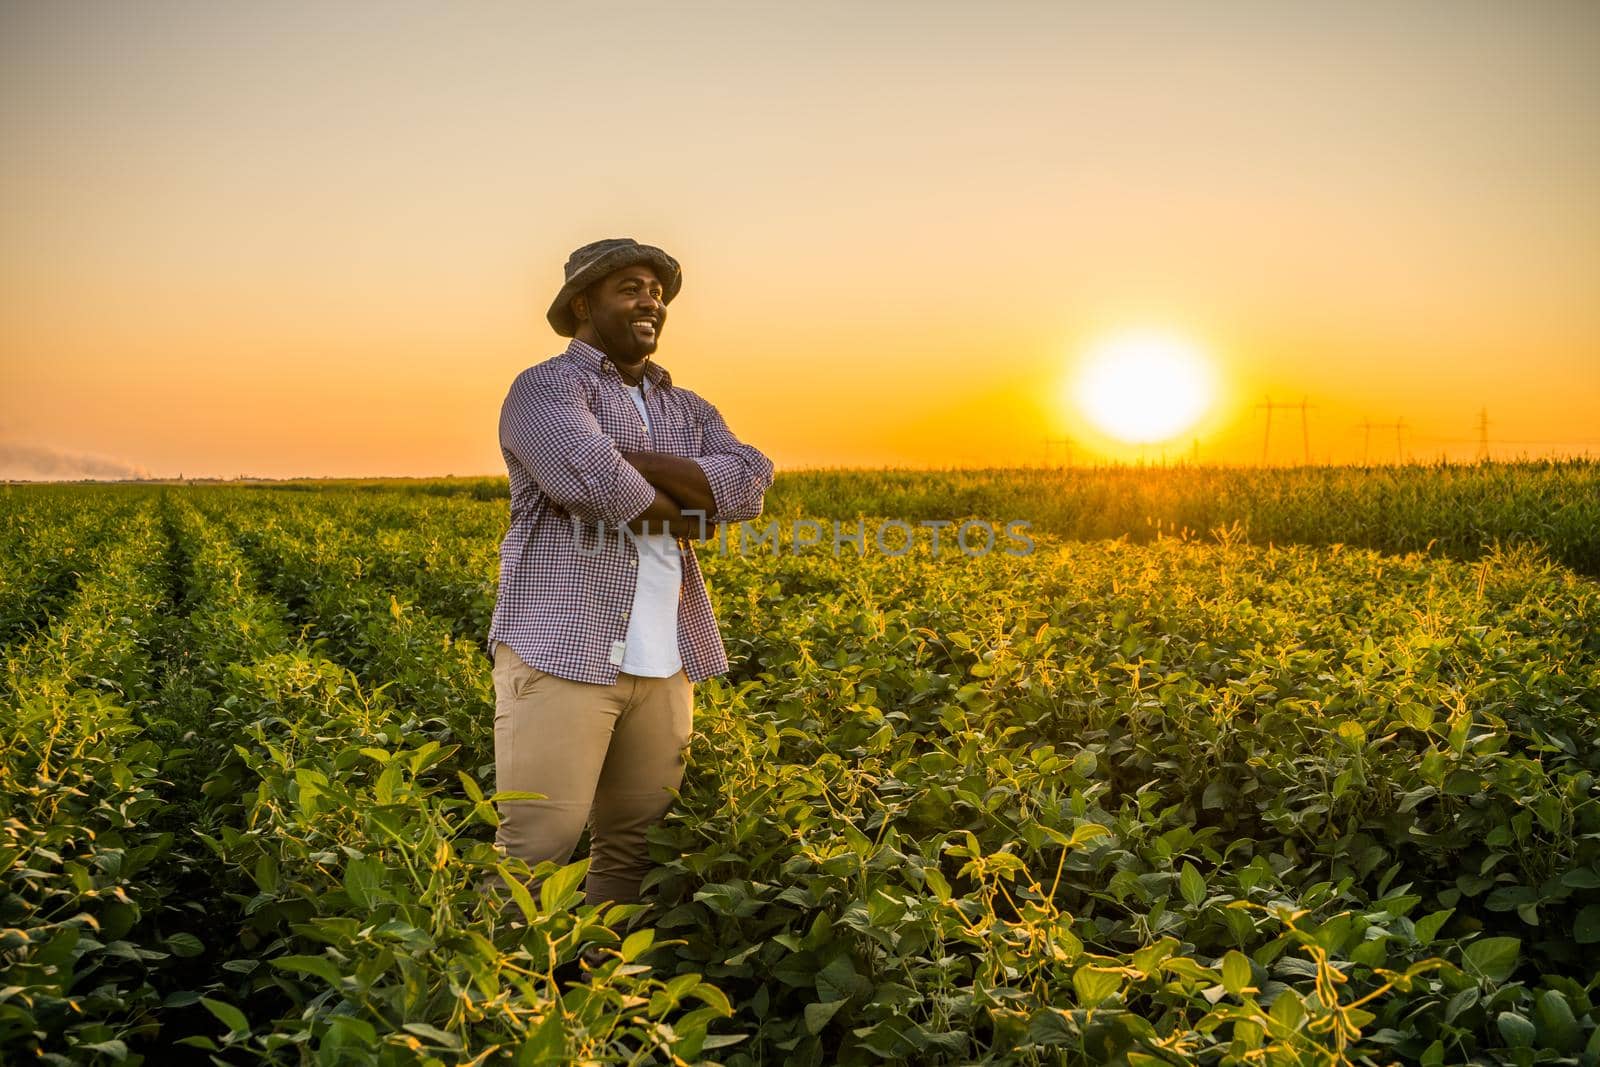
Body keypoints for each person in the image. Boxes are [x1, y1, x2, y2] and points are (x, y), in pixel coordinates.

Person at [488, 237, 773, 908]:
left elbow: (751, 481)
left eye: (656, 291)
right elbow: (595, 483)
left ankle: (600, 997)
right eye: (630, 288)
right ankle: (493, 1005)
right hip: (563, 650)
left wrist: (628, 458)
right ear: (583, 304)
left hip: (666, 657)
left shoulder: (688, 406)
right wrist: (693, 512)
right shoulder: (545, 387)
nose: (650, 301)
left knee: (634, 850)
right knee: (538, 845)